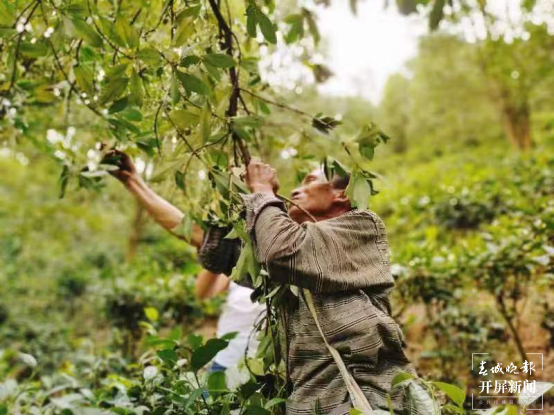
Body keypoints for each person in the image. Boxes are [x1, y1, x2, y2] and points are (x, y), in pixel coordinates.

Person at [108, 151, 417, 414]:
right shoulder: (289, 256)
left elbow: (283, 250)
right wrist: (134, 182)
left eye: (309, 181)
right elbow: (200, 235)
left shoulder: (362, 227)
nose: (296, 190)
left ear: (342, 194)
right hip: (309, 403)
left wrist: (262, 193)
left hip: (369, 398)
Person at [106, 150, 264, 374]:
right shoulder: (244, 256)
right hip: (224, 362)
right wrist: (217, 250)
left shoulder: (285, 254)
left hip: (262, 371)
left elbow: (190, 231)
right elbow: (203, 289)